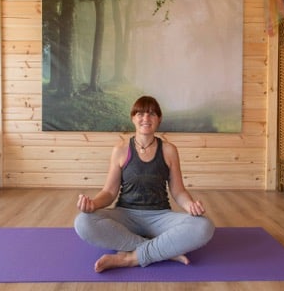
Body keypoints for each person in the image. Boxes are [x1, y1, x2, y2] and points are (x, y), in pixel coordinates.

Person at [74, 95, 215, 273]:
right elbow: (109, 192)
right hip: (126, 216)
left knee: (204, 226)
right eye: (140, 113)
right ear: (133, 118)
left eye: (151, 114)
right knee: (83, 222)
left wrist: (190, 205)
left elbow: (178, 191)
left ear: (159, 119)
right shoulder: (120, 150)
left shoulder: (169, 150)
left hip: (160, 216)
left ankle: (131, 257)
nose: (146, 118)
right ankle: (164, 251)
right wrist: (92, 204)